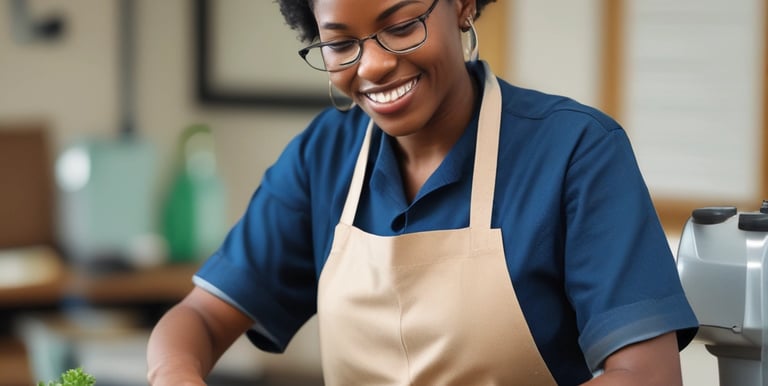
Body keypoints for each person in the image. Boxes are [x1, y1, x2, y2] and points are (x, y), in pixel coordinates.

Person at [146, 0, 699, 384]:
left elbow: (646, 375)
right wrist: (175, 376)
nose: (376, 65)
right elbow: (198, 318)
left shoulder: (575, 151)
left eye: (403, 23)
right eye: (340, 45)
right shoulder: (324, 157)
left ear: (460, 5)